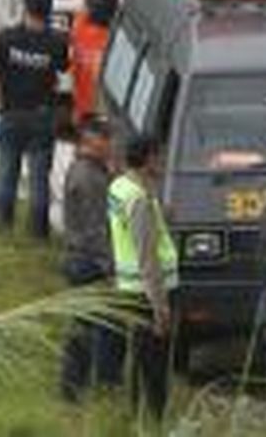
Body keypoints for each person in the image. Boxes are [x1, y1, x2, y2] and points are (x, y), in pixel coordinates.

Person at [0, 0, 68, 239]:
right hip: (42, 117)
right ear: (49, 12)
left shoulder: (5, 39)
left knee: (8, 172)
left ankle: (2, 226)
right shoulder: (56, 43)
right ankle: (38, 232)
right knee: (39, 177)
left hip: (11, 115)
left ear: (25, 8)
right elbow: (63, 72)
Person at [103, 136, 179, 419]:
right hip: (147, 293)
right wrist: (160, 308)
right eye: (159, 156)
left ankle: (136, 414)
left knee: (139, 359)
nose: (162, 161)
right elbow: (148, 258)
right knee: (155, 365)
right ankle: (154, 420)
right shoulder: (139, 199)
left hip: (131, 288)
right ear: (148, 159)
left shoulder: (121, 187)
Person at [60, 117, 114, 400]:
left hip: (79, 258)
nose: (111, 146)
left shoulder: (88, 170)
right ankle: (79, 388)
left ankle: (78, 387)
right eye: (106, 141)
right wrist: (111, 267)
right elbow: (96, 229)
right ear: (92, 142)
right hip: (88, 262)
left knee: (89, 326)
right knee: (93, 329)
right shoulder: (89, 177)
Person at [69, 0, 119, 126]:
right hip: (107, 112)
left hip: (82, 109)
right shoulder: (115, 38)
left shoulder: (79, 27)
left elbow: (84, 8)